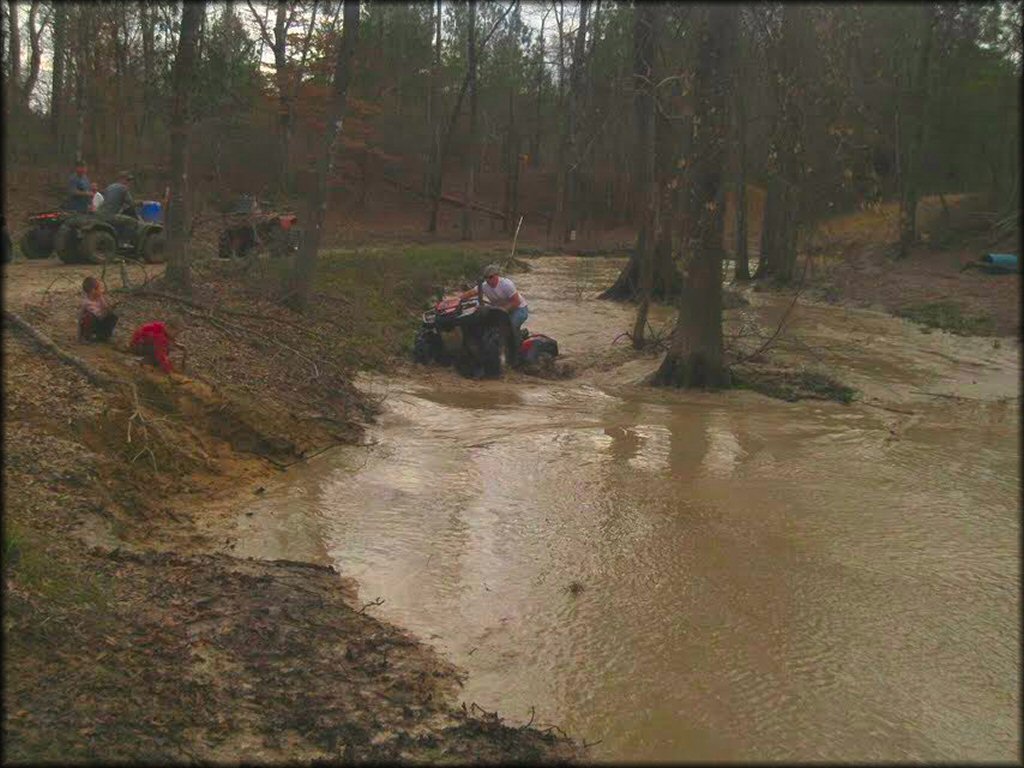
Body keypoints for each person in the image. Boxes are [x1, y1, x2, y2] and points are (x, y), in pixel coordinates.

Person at [460, 263, 530, 340]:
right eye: (486, 277)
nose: (488, 280)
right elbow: (471, 293)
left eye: (490, 277)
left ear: (496, 275)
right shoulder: (484, 286)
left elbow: (516, 302)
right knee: (490, 327)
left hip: (519, 309)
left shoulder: (506, 285)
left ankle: (516, 347)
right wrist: (458, 300)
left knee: (510, 327)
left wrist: (502, 310)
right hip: (501, 310)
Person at [97, 171, 139, 246]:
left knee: (120, 220)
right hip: (110, 215)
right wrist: (141, 203)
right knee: (132, 222)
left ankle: (117, 238)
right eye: (127, 180)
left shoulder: (109, 187)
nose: (129, 183)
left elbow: (109, 201)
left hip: (99, 214)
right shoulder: (123, 188)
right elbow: (131, 203)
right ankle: (124, 242)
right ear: (121, 179)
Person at [78, 277, 119, 342]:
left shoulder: (99, 298)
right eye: (98, 288)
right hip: (93, 323)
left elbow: (106, 308)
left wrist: (111, 307)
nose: (100, 290)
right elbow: (80, 318)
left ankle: (104, 335)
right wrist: (79, 335)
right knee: (88, 316)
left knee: (113, 315)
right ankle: (86, 336)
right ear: (93, 290)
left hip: (101, 320)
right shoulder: (86, 302)